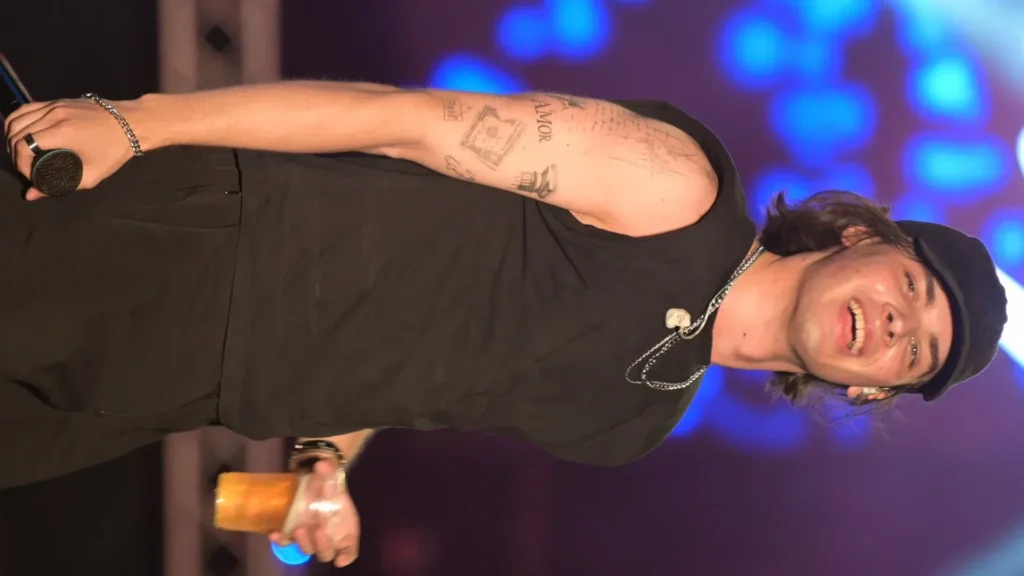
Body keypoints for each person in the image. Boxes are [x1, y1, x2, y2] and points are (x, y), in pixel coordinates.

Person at [1, 82, 1008, 566]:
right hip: (203, 254)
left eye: (913, 351)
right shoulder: (675, 188)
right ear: (857, 239)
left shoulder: (635, 422)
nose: (893, 323)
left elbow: (428, 359)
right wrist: (138, 122)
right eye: (908, 288)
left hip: (186, 390)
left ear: (872, 386)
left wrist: (326, 460)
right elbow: (399, 119)